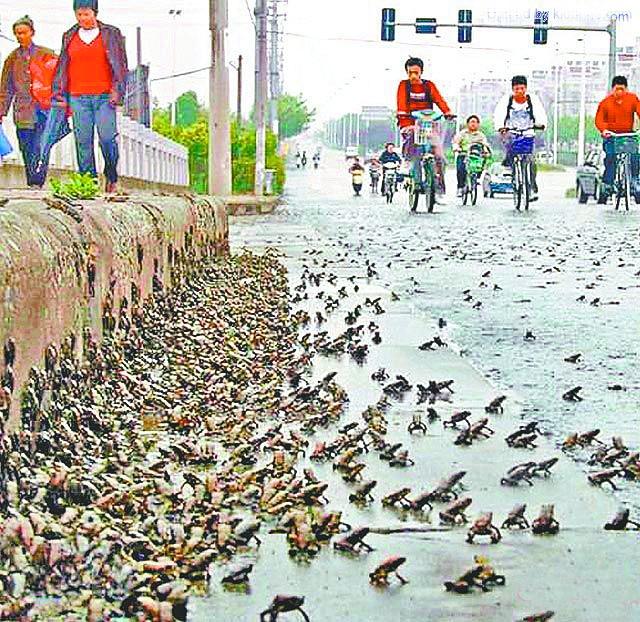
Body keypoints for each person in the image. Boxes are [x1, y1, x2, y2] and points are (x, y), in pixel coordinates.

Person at [52, 0, 129, 194]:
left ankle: (111, 175)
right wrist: (59, 93)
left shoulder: (111, 34)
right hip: (78, 96)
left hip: (104, 96)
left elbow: (121, 65)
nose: (83, 19)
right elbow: (63, 65)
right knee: (83, 141)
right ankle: (89, 183)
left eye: (86, 14)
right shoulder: (69, 36)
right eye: (79, 15)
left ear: (94, 13)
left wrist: (118, 90)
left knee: (107, 138)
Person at [0, 16, 58, 188]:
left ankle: (37, 181)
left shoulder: (46, 54)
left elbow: (58, 79)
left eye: (23, 32)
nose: (20, 36)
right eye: (17, 33)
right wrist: (1, 111)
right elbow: (6, 88)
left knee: (41, 145)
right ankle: (31, 179)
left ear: (32, 32)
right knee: (26, 146)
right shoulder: (12, 59)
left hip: (44, 108)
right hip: (23, 110)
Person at [396, 57, 455, 198]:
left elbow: (439, 100)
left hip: (428, 124)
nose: (413, 76)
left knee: (439, 155)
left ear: (421, 72)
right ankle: (407, 160)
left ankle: (439, 187)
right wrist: (402, 115)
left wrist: (447, 112)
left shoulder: (429, 86)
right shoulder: (404, 86)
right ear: (407, 72)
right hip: (409, 123)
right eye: (410, 73)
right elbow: (401, 103)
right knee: (411, 139)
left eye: (416, 72)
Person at [493, 75, 547, 200]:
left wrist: (541, 124)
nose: (519, 91)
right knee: (512, 154)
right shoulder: (507, 101)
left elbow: (540, 113)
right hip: (512, 132)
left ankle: (532, 188)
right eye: (517, 89)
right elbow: (499, 114)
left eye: (522, 88)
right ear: (513, 89)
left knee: (531, 160)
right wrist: (501, 127)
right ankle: (514, 173)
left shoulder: (532, 100)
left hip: (528, 132)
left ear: (526, 88)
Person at [595, 75, 640, 199]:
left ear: (626, 89)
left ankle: (635, 181)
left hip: (628, 135)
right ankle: (608, 184)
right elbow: (599, 119)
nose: (619, 92)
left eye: (622, 89)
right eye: (617, 89)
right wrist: (603, 130)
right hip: (612, 136)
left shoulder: (633, 99)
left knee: (635, 156)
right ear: (612, 89)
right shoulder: (605, 102)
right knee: (611, 158)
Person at [453, 115, 491, 196]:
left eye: (476, 122)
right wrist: (457, 148)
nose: (474, 124)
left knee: (482, 162)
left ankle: (476, 178)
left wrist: (486, 151)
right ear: (467, 124)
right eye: (472, 122)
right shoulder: (462, 133)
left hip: (476, 156)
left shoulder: (481, 135)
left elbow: (484, 144)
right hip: (464, 154)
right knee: (461, 169)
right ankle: (460, 187)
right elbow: (456, 142)